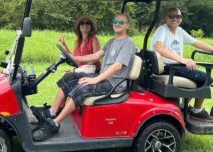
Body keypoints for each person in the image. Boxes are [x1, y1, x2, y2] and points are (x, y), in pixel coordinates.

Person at [32, 13, 136, 141]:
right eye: (115, 21)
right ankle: (52, 112)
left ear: (127, 25)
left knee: (82, 87)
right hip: (104, 78)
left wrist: (95, 79)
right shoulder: (111, 41)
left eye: (121, 22)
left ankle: (54, 123)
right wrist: (75, 58)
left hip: (115, 84)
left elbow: (118, 65)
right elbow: (95, 56)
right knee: (69, 77)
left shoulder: (128, 43)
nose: (117, 24)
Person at [150, 8, 213, 123]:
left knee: (199, 77)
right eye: (171, 16)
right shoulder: (162, 30)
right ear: (166, 18)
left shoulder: (180, 31)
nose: (175, 19)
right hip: (167, 67)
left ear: (181, 19)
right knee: (206, 79)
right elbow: (159, 48)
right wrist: (182, 59)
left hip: (176, 66)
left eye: (178, 17)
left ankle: (183, 107)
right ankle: (196, 111)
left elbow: (197, 43)